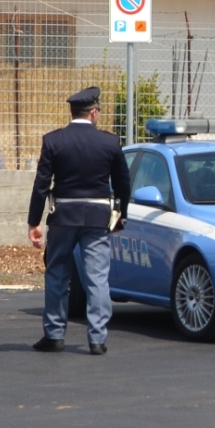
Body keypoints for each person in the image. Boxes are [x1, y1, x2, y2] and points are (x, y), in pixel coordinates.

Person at [27, 86, 130, 355]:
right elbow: (123, 184)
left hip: (63, 217)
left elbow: (41, 185)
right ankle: (97, 339)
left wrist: (34, 222)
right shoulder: (110, 142)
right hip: (97, 218)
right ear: (93, 112)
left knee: (57, 274)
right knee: (97, 277)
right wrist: (122, 215)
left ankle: (54, 334)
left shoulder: (53, 141)